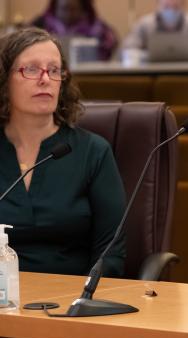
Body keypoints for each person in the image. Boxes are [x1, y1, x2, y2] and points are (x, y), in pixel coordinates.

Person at [0, 27, 126, 276]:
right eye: (32, 69)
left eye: (54, 70)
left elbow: (110, 253)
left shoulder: (93, 151)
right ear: (4, 80)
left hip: (71, 301)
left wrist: (83, 302)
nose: (45, 79)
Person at [122, 0, 188, 59]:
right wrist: (146, 56)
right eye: (166, 6)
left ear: (184, 5)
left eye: (175, 7)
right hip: (151, 74)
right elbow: (128, 49)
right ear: (158, 5)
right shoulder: (144, 25)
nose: (171, 11)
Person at [31, 0, 118, 61]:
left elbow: (110, 45)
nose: (68, 14)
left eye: (73, 9)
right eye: (64, 9)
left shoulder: (97, 28)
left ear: (82, 9)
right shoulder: (40, 25)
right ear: (55, 7)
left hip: (87, 77)